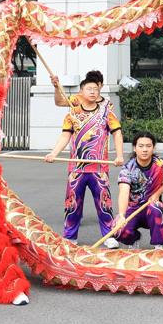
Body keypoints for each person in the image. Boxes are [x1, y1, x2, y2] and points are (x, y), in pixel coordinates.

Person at [44, 70, 125, 246]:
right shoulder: (72, 113)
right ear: (81, 91)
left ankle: (109, 236)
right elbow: (65, 136)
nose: (93, 92)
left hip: (99, 168)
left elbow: (117, 134)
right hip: (77, 168)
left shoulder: (106, 112)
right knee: (72, 204)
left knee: (104, 204)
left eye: (96, 89)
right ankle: (70, 237)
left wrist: (119, 155)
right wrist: (54, 153)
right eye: (89, 89)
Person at [111, 132, 163, 249]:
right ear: (135, 148)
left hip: (151, 207)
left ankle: (158, 245)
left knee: (157, 208)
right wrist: (121, 215)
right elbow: (124, 192)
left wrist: (157, 194)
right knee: (117, 228)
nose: (145, 150)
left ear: (153, 148)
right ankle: (133, 239)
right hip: (133, 208)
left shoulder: (161, 164)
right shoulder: (127, 169)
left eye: (148, 146)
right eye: (141, 146)